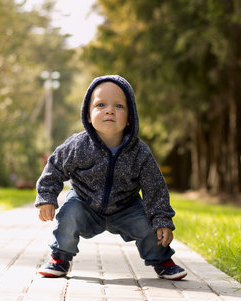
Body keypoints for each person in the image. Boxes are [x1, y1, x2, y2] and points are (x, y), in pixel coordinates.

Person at [35, 75, 186, 280]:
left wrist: (162, 219)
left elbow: (155, 187)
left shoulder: (139, 152)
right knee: (69, 214)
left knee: (150, 226)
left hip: (127, 207)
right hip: (84, 202)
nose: (109, 110)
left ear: (130, 116)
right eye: (100, 105)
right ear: (88, 115)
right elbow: (54, 168)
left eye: (119, 106)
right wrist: (46, 197)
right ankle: (60, 258)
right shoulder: (78, 146)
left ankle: (162, 261)